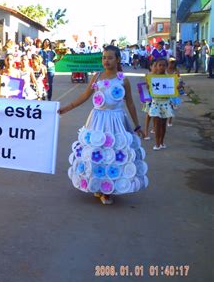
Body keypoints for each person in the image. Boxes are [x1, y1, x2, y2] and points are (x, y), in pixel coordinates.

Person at [58, 45, 147, 205]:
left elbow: (131, 104)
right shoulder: (97, 77)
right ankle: (98, 186)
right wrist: (68, 107)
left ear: (118, 59)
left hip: (117, 120)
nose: (106, 60)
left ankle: (108, 189)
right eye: (104, 57)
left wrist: (137, 125)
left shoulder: (123, 80)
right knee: (97, 151)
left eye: (110, 57)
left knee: (113, 152)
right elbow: (85, 95)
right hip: (97, 119)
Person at [147, 57, 173, 150]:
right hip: (156, 102)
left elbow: (171, 90)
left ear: (166, 66)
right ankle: (157, 143)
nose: (162, 67)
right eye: (160, 65)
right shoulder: (152, 78)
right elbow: (149, 91)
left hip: (165, 102)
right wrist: (146, 88)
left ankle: (162, 141)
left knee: (163, 124)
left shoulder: (169, 78)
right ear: (156, 66)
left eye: (164, 65)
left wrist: (177, 87)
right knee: (157, 123)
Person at [166, 57, 182, 127]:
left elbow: (179, 79)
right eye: (170, 62)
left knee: (172, 105)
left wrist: (179, 85)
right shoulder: (164, 69)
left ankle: (170, 120)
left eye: (173, 63)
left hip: (173, 90)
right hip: (165, 90)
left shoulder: (176, 70)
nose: (172, 64)